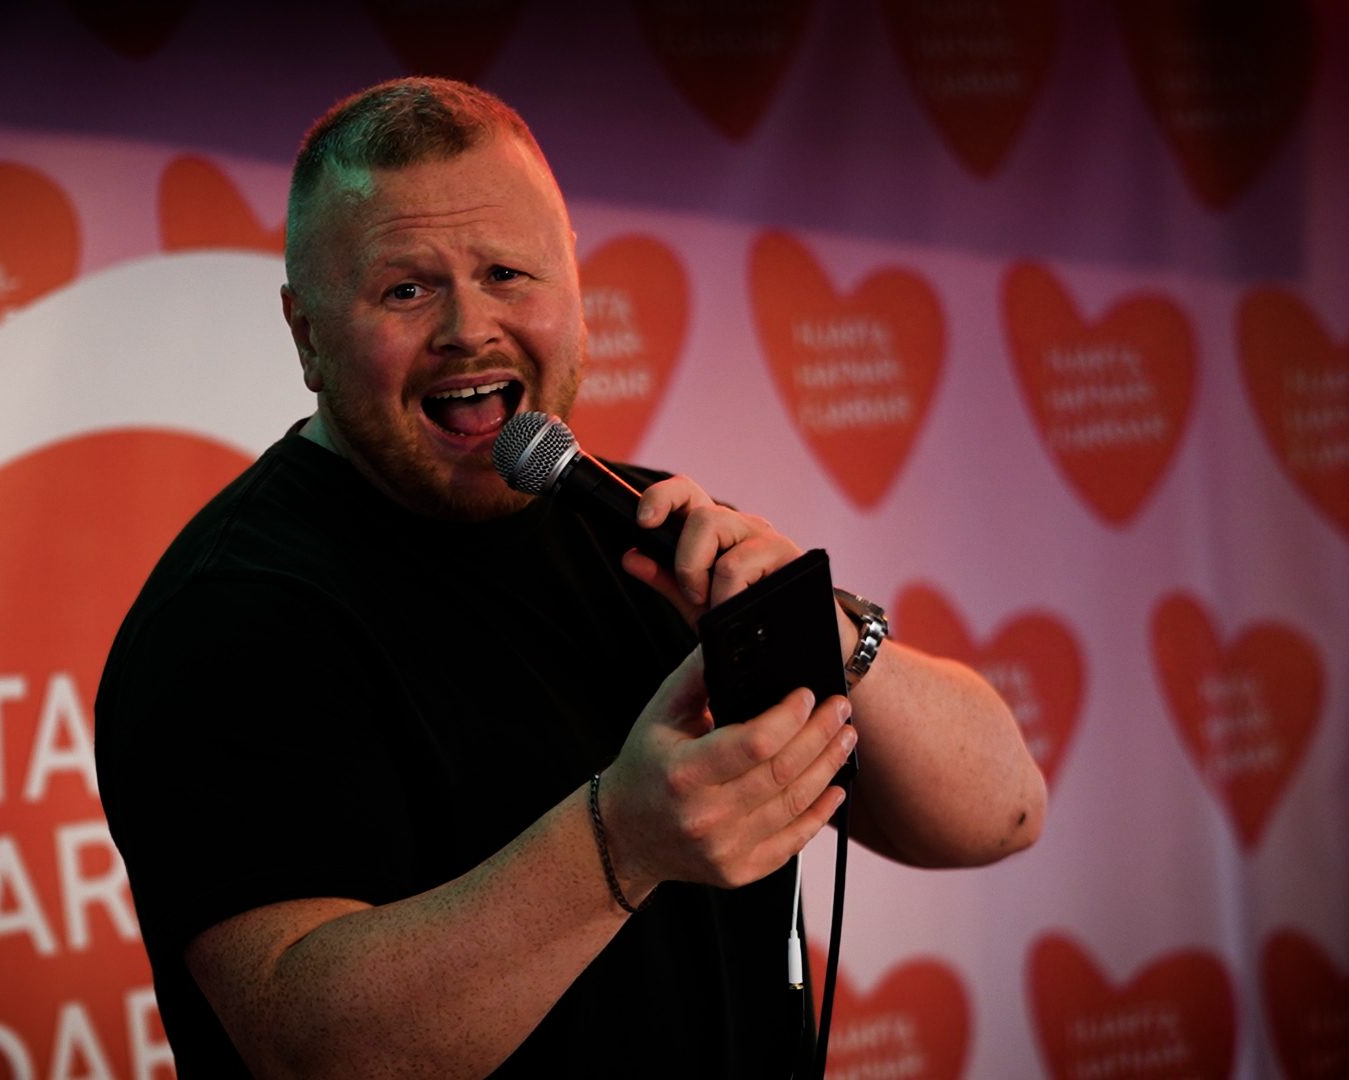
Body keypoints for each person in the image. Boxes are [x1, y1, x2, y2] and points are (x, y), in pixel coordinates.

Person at [96, 77, 1045, 1079]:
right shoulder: (231, 615)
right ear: (307, 336)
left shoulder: (648, 529)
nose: (469, 327)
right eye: (406, 290)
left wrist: (826, 627)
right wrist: (621, 843)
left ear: (576, 293)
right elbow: (311, 1051)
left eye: (508, 273)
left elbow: (1003, 812)